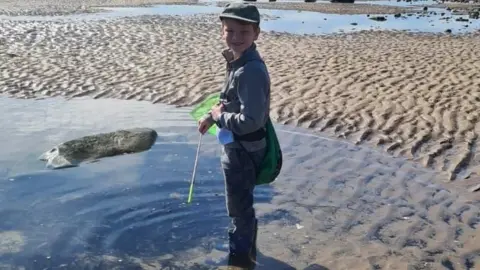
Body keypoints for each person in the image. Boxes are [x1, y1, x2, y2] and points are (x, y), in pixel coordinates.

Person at [197, 3, 271, 268]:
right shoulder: (237, 61)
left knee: (239, 211)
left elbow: (251, 121)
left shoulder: (250, 70)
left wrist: (219, 118)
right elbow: (230, 100)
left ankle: (240, 260)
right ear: (221, 31)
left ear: (256, 33)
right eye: (230, 30)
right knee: (242, 207)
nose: (236, 37)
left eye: (244, 31)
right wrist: (210, 114)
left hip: (243, 151)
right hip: (237, 146)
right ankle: (248, 253)